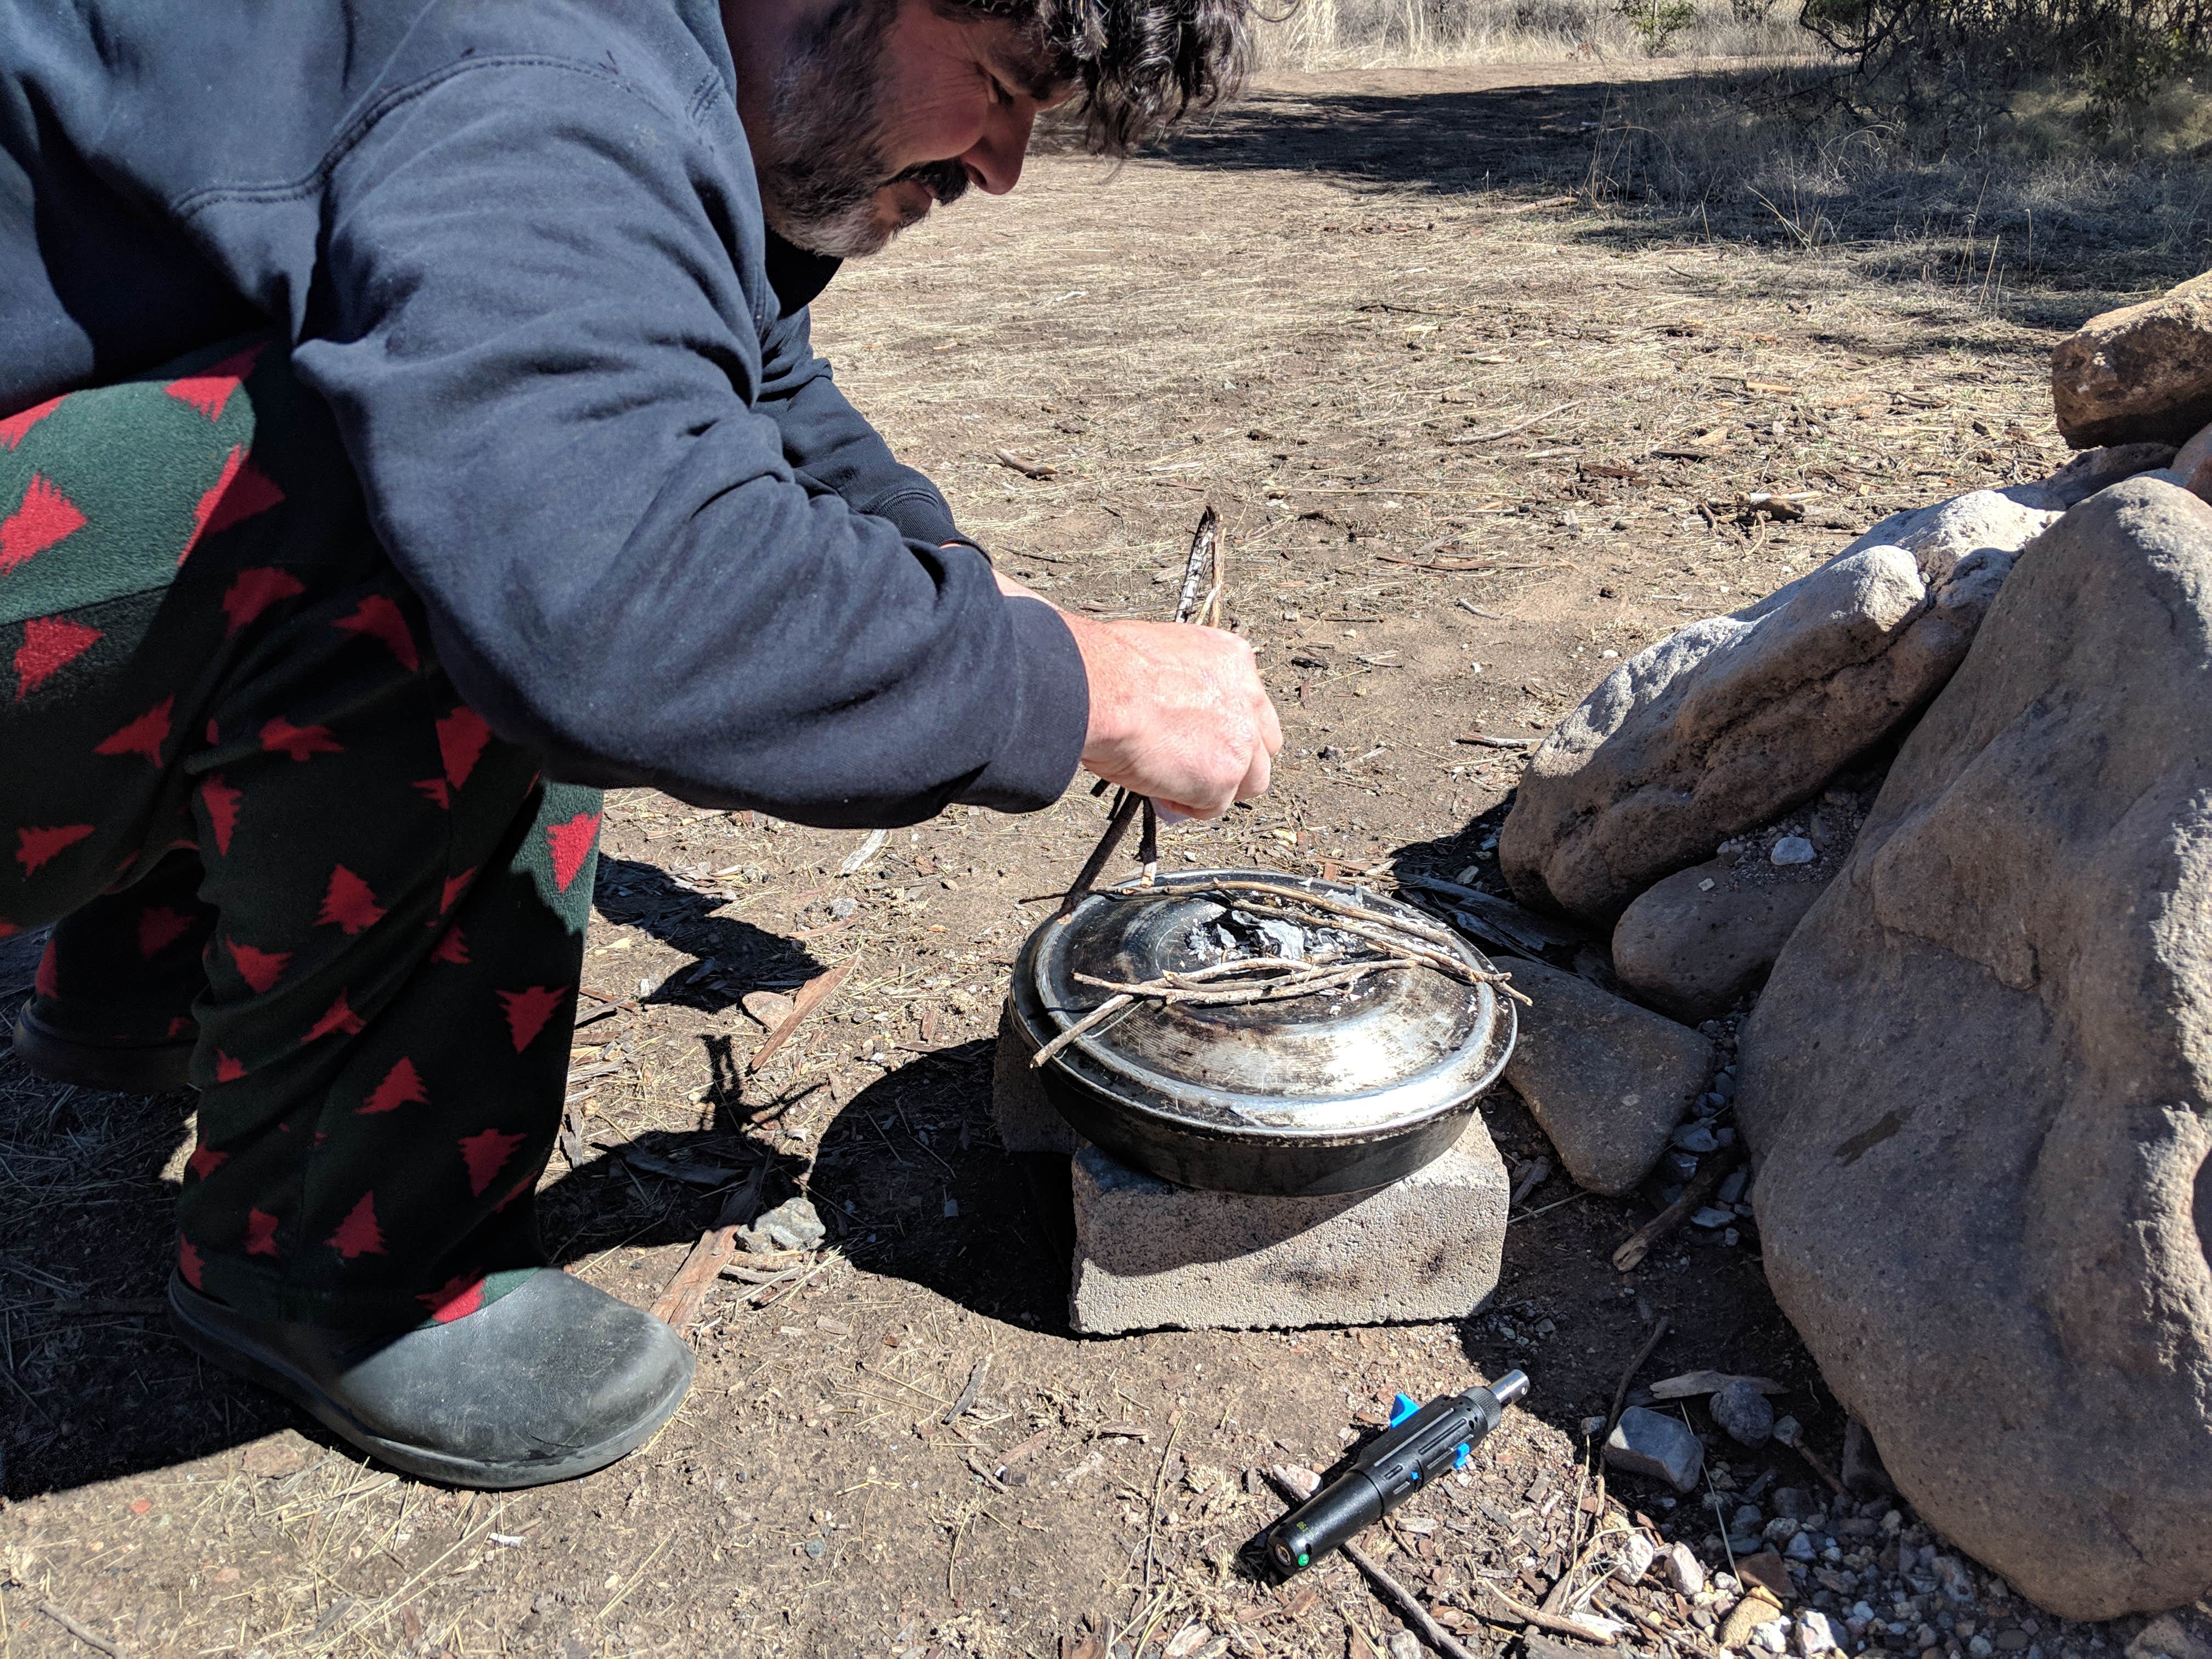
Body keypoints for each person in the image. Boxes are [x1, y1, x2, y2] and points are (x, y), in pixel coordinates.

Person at [0, 0, 1280, 1488]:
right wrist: (1077, 691)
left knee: (415, 405)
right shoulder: (543, 67)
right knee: (448, 518)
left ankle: (148, 983)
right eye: (997, 87)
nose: (1000, 167)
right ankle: (342, 1260)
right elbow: (604, 587)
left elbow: (736, 365)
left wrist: (968, 585)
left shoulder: (620, 49)